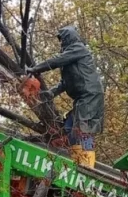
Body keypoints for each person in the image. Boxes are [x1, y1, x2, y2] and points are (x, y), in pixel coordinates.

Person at [27, 26, 104, 168]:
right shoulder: (70, 55)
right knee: (69, 127)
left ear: (69, 38)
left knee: (84, 130)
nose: (61, 42)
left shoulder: (78, 49)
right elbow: (65, 82)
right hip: (81, 99)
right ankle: (78, 160)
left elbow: (57, 61)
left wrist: (35, 68)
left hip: (90, 96)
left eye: (62, 39)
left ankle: (87, 165)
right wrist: (51, 92)